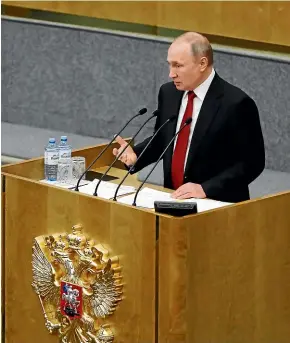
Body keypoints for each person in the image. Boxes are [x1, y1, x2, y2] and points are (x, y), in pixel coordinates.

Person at [113, 32, 265, 203]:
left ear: (202, 63)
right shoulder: (168, 93)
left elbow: (252, 163)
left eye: (178, 66)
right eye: (170, 65)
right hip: (173, 198)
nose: (171, 74)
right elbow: (163, 140)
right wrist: (136, 156)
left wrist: (204, 189)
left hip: (216, 204)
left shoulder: (236, 103)